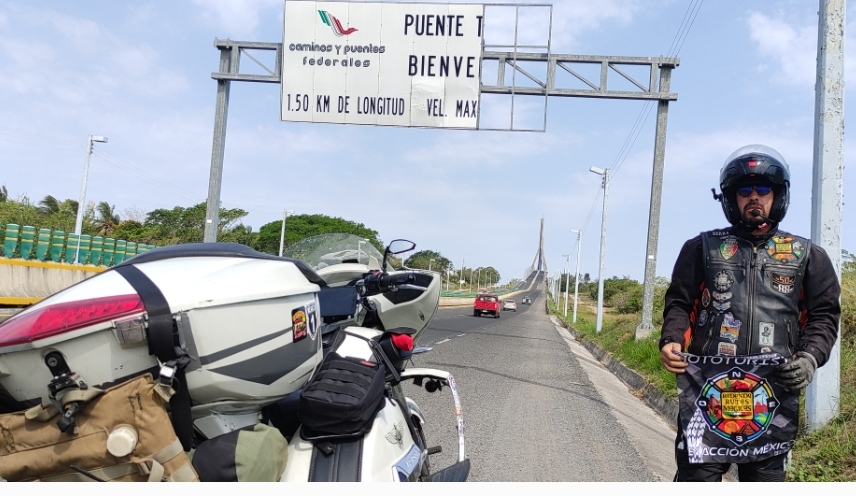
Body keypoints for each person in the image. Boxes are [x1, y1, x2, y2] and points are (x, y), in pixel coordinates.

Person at [658, 144, 841, 482]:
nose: (754, 196)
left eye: (763, 189)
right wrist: (671, 340)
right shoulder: (700, 248)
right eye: (744, 190)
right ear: (730, 198)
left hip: (772, 396)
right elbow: (680, 304)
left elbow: (824, 316)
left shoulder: (806, 255)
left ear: (779, 195)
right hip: (707, 395)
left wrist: (810, 358)